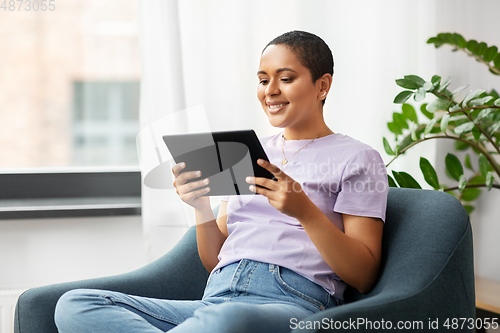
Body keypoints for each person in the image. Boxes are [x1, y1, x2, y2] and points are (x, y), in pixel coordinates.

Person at [54, 30, 389, 333]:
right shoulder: (246, 151)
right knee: (76, 305)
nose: (270, 91)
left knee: (228, 321)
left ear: (323, 85)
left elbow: (363, 274)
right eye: (262, 80)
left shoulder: (358, 158)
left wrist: (304, 210)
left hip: (292, 304)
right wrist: (200, 206)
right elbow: (215, 260)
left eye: (285, 78)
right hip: (216, 299)